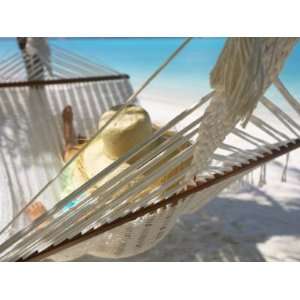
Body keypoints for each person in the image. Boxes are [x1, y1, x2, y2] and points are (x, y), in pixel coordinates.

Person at [25, 105, 191, 222]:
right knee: (73, 152)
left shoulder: (88, 201)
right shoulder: (169, 182)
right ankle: (79, 134)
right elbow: (182, 191)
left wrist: (42, 221)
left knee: (70, 152)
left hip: (82, 186)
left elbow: (60, 231)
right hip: (101, 182)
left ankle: (70, 128)